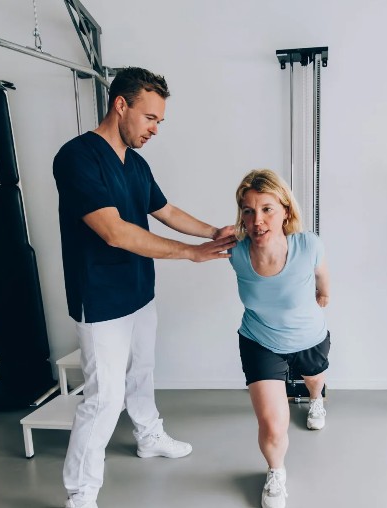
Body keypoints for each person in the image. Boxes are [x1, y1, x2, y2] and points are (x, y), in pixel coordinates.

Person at [53, 67, 236, 508]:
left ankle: (148, 435)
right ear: (121, 105)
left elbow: (165, 210)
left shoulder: (136, 163)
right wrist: (190, 253)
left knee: (142, 372)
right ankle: (81, 492)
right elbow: (114, 232)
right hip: (100, 297)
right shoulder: (76, 157)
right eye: (150, 117)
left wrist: (213, 232)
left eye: (159, 121)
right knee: (104, 397)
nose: (155, 129)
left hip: (138, 289)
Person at [228, 169, 330, 508]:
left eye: (267, 209)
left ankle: (315, 399)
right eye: (248, 211)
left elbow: (321, 273)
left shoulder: (308, 244)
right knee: (273, 426)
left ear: (286, 211)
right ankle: (276, 471)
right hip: (260, 341)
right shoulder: (237, 252)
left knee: (314, 380)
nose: (257, 220)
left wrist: (324, 293)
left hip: (308, 337)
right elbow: (198, 243)